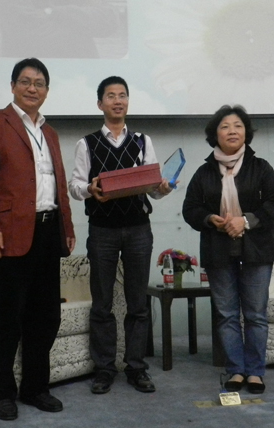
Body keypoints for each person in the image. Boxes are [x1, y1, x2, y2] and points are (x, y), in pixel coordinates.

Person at [0, 58, 76, 421]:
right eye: (26, 82)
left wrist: (67, 228)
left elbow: (58, 185)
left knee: (45, 316)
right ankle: (1, 392)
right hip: (10, 234)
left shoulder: (50, 133)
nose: (32, 88)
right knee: (9, 317)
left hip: (48, 232)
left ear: (46, 91)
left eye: (39, 83)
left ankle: (35, 387)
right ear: (13, 86)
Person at [68, 76, 173, 395]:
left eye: (123, 95)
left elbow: (152, 187)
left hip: (139, 228)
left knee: (138, 302)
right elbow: (74, 186)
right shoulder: (86, 143)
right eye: (111, 96)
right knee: (102, 304)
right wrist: (90, 189)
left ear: (128, 101)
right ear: (100, 103)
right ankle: (104, 369)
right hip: (102, 230)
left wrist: (162, 188)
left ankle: (136, 367)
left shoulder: (142, 141)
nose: (118, 100)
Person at [182, 105, 274, 394]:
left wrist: (246, 221)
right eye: (225, 126)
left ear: (246, 133)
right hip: (218, 250)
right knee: (227, 314)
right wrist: (209, 219)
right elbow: (190, 209)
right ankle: (235, 370)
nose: (232, 131)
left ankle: (255, 372)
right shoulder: (204, 172)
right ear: (215, 134)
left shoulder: (261, 167)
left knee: (255, 314)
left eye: (238, 126)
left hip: (257, 250)